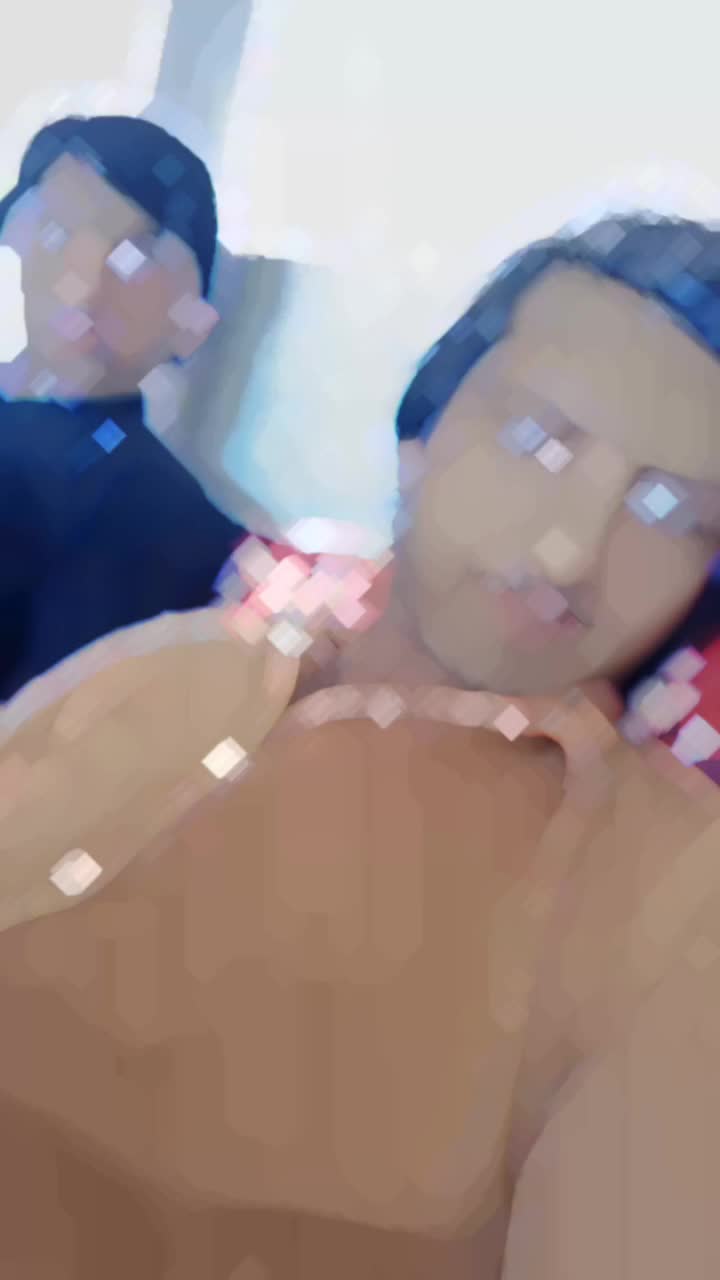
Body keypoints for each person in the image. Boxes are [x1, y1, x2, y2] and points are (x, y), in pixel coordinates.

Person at [3, 211, 720, 1277]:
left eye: (668, 509)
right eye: (539, 440)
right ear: (420, 430)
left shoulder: (673, 893)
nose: (570, 550)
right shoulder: (175, 671)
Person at [0, 114, 247, 702]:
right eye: (59, 231)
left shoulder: (176, 527)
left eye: (135, 255)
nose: (85, 279)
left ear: (193, 315)